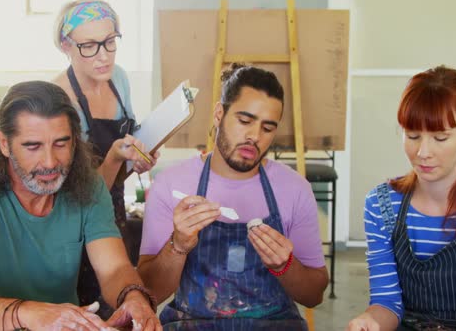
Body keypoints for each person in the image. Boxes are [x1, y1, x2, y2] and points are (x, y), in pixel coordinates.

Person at [0, 81, 161, 331]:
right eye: (33, 146)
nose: (50, 162)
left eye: (61, 144)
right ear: (4, 143)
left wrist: (132, 297)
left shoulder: (90, 187)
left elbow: (114, 269)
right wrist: (33, 314)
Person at [137, 63, 329, 325]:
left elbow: (314, 295)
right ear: (219, 113)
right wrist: (178, 246)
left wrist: (285, 266)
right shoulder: (171, 184)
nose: (254, 136)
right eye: (244, 120)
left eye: (268, 128)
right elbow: (150, 293)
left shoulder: (294, 189)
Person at [347, 66, 456, 331]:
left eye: (440, 137)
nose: (422, 152)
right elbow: (387, 302)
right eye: (412, 135)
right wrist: (371, 321)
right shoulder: (381, 204)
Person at [52, 0, 158, 318]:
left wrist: (142, 153)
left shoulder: (119, 79)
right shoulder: (59, 100)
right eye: (89, 46)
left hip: (113, 208)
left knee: (118, 295)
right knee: (87, 307)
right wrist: (115, 158)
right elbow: (79, 196)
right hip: (75, 219)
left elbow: (131, 132)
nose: (104, 55)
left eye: (110, 41)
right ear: (65, 46)